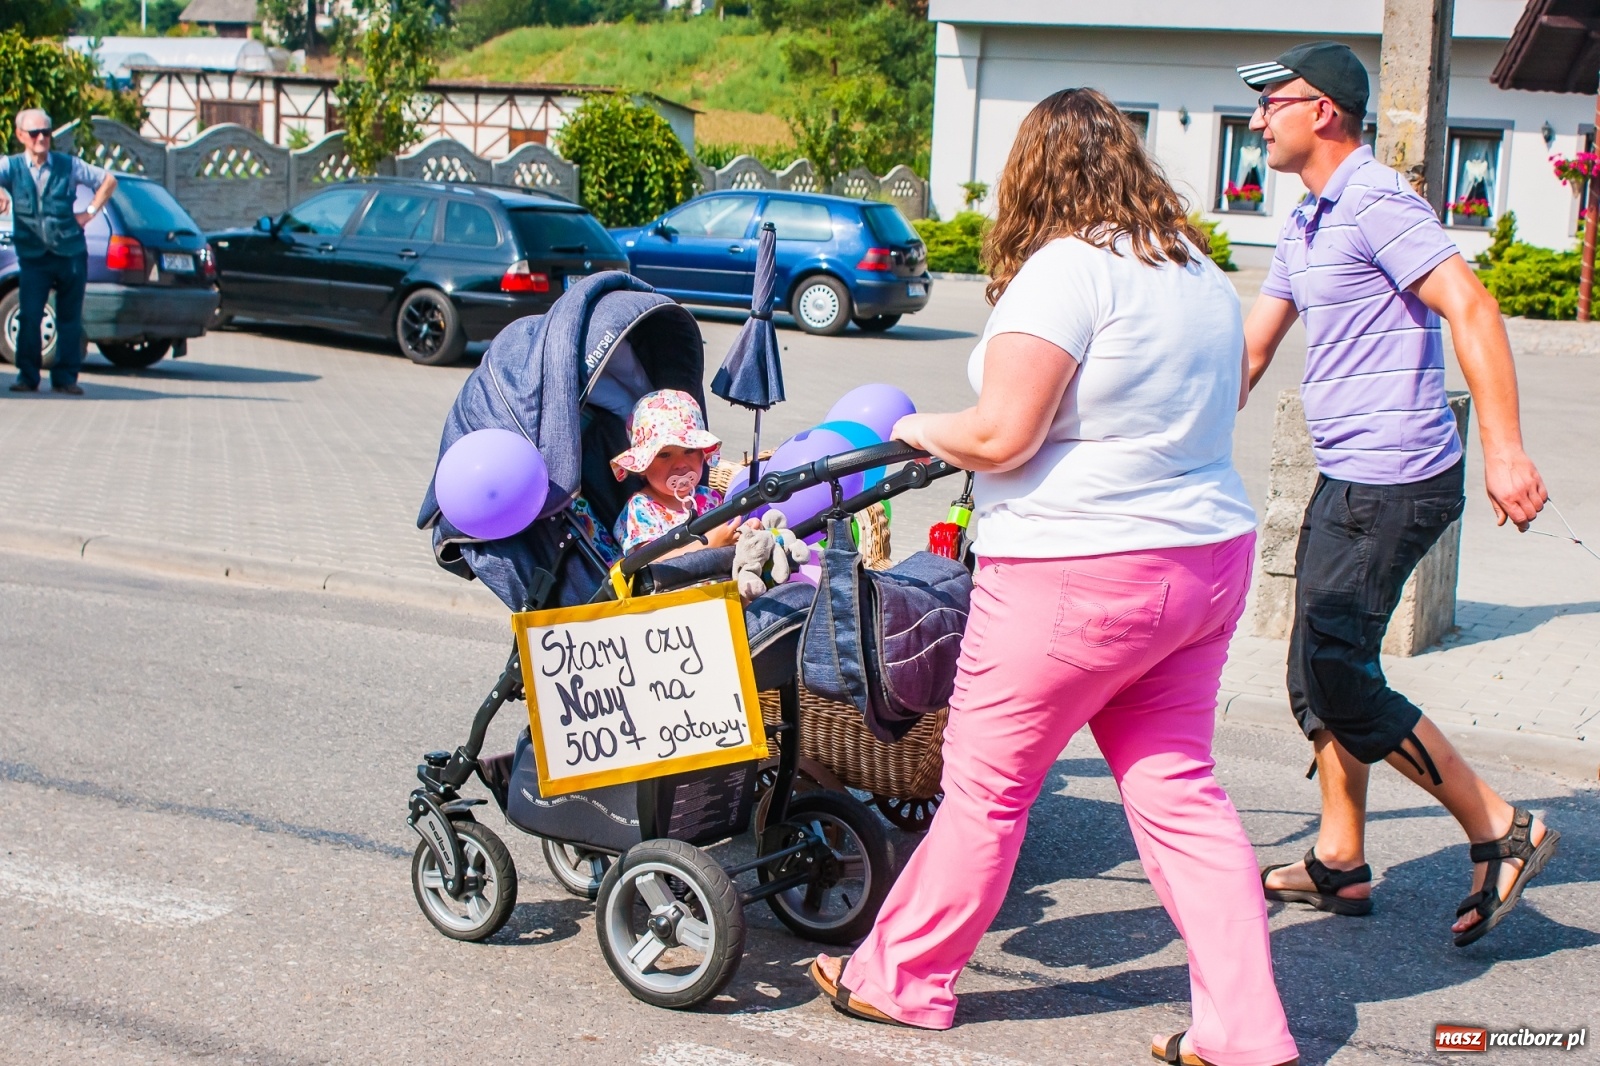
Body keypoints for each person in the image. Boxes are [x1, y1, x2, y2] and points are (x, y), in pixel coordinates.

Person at [807, 88, 1300, 1066]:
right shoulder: (1198, 270)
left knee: (985, 787)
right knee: (1178, 790)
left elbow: (999, 434)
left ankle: (900, 978)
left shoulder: (1066, 270)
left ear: (1033, 171)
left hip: (1076, 573)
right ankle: (1245, 1031)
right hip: (1201, 564)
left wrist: (914, 429)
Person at [1236, 42, 1559, 946]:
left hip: (1398, 476)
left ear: (1324, 113)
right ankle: (1340, 860)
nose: (1261, 119)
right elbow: (1252, 353)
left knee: (1341, 675)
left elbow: (1473, 306)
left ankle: (1502, 828)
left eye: (1274, 102)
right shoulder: (1306, 222)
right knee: (1315, 669)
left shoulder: (1377, 200)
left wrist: (1504, 450)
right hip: (1349, 474)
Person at [0, 108, 117, 395]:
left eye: (46, 133)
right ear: (20, 136)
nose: (41, 138)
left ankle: (66, 378)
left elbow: (108, 180)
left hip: (70, 253)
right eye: (35, 133)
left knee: (69, 318)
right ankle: (28, 377)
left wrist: (88, 213)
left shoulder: (68, 165)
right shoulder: (11, 167)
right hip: (33, 257)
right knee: (29, 316)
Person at [610, 389, 747, 556]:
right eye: (664, 455)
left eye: (689, 450)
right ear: (643, 467)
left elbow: (727, 532)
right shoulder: (641, 509)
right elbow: (647, 563)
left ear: (702, 453)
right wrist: (709, 544)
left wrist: (743, 532)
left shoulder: (710, 498)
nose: (680, 464)